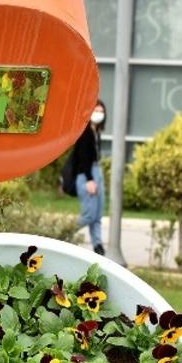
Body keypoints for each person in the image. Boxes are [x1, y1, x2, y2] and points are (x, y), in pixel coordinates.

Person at [70, 99, 106, 254]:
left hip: (97, 172)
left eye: (101, 111)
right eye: (96, 111)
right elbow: (83, 158)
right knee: (89, 215)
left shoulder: (96, 131)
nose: (99, 114)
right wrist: (90, 180)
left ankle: (98, 246)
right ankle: (63, 233)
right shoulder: (84, 132)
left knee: (97, 215)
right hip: (87, 175)